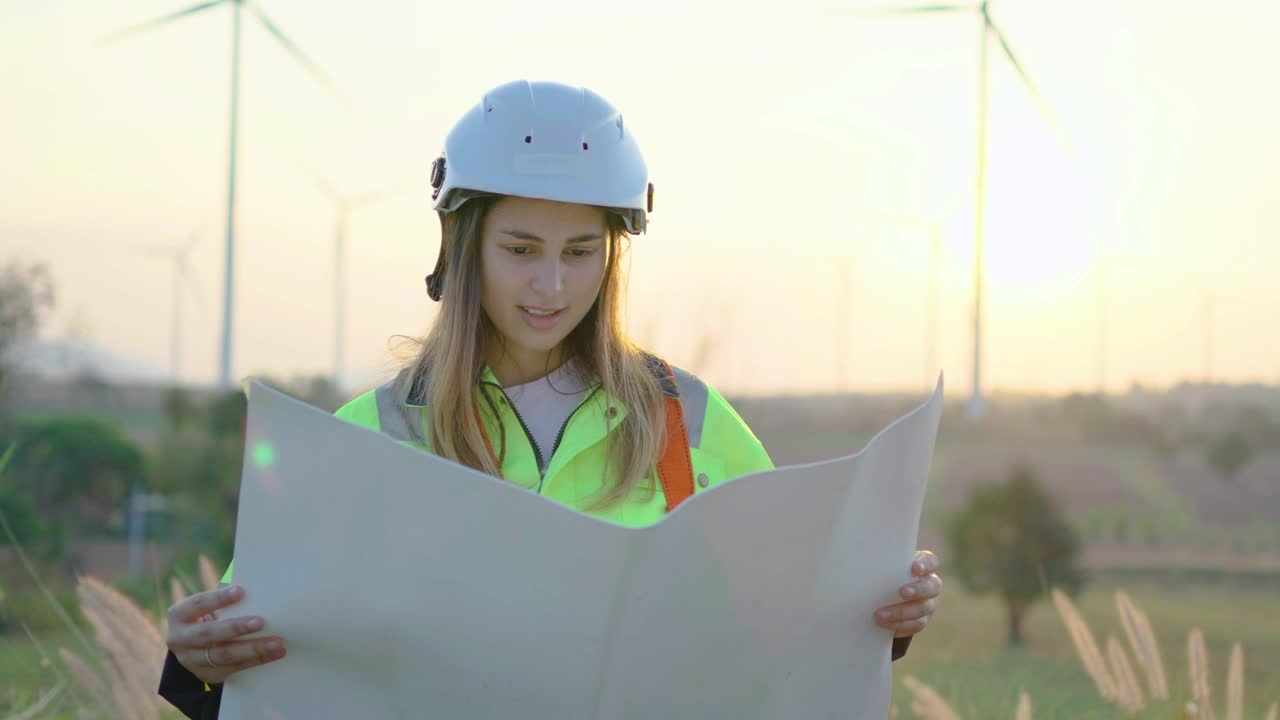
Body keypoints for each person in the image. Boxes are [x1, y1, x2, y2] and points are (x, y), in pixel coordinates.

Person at [157, 79, 944, 718]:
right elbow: (267, 647)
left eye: (580, 252)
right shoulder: (374, 434)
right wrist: (194, 662)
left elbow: (778, 627)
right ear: (462, 248)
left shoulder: (693, 422)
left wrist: (877, 615)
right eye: (521, 250)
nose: (552, 286)